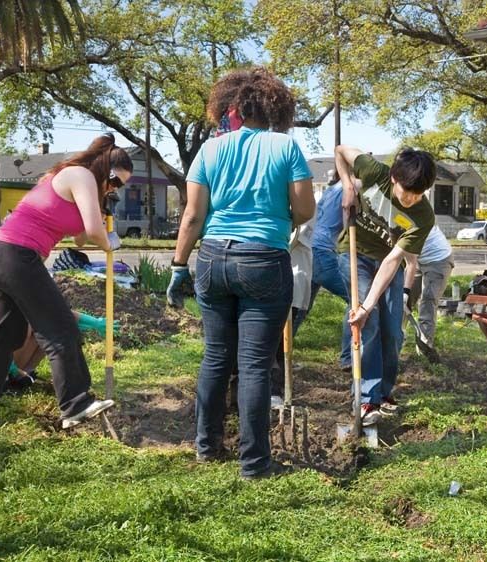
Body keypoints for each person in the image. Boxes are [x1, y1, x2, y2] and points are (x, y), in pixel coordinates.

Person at [169, 67, 314, 479]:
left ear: (229, 106)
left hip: (213, 259)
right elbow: (304, 211)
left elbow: (193, 216)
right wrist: (275, 213)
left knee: (216, 355)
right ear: (275, 107)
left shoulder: (210, 151)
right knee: (253, 364)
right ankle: (254, 464)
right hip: (263, 261)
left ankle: (206, 446)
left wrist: (179, 266)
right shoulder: (285, 148)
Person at [0, 134, 128, 429]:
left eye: (120, 187)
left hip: (3, 255)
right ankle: (76, 404)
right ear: (104, 167)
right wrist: (109, 243)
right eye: (116, 181)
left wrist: (102, 208)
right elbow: (97, 235)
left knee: (5, 337)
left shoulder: (84, 187)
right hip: (17, 256)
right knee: (59, 328)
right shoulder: (80, 174)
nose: (115, 188)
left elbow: (82, 240)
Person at [335, 146, 436, 425]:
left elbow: (394, 260)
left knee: (393, 330)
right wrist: (347, 186)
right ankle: (366, 399)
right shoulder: (374, 171)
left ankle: (382, 391)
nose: (413, 198)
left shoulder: (423, 216)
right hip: (355, 254)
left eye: (420, 193)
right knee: (369, 323)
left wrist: (369, 305)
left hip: (387, 262)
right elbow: (340, 151)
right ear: (394, 178)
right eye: (408, 191)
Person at [293, 177, 352, 370]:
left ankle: (278, 356)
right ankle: (348, 358)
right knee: (356, 301)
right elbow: (347, 222)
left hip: (311, 247)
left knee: (301, 307)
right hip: (323, 253)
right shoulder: (350, 189)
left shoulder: (331, 189)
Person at [405, 224, 453, 351]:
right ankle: (397, 337)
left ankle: (424, 346)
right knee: (404, 300)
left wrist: (405, 290)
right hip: (417, 260)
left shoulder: (412, 220)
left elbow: (409, 259)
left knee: (427, 301)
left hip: (439, 260)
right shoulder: (392, 218)